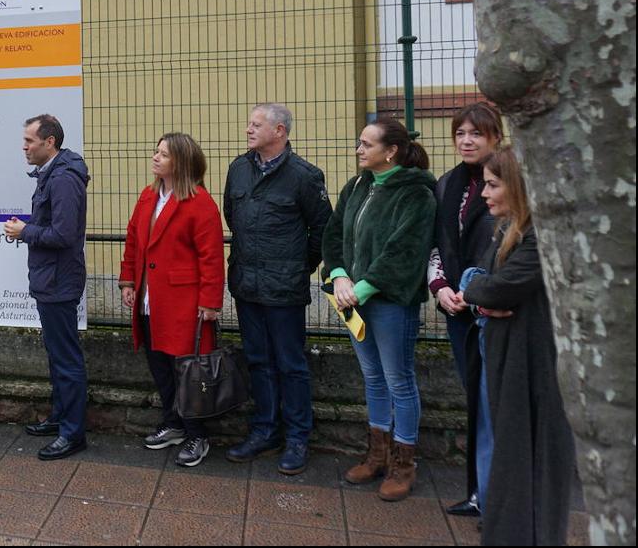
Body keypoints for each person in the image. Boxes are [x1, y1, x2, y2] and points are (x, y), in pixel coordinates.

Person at [460, 147, 575, 545]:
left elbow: (492, 287)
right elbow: (480, 284)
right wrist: (479, 293)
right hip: (506, 356)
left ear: (520, 188)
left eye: (493, 185)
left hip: (532, 365)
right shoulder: (510, 232)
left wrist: (478, 293)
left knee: (530, 461)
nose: (484, 194)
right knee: (509, 457)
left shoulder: (538, 239)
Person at [322, 117, 436, 502]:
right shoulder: (356, 186)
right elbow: (333, 234)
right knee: (372, 377)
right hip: (352, 298)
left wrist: (361, 289)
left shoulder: (416, 194)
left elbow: (404, 252)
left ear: (391, 152)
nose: (359, 150)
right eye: (359, 142)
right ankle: (377, 453)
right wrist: (338, 276)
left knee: (398, 380)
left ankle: (404, 463)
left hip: (389, 304)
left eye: (367, 145)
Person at [223, 103, 332, 475]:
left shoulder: (304, 176)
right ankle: (264, 430)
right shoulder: (238, 169)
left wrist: (297, 267)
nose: (248, 129)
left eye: (257, 124)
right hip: (246, 284)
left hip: (284, 288)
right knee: (257, 359)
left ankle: (298, 437)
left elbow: (322, 232)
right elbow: (232, 218)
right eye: (249, 123)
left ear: (280, 131)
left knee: (290, 363)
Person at [119, 132, 225, 467]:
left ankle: (198, 435)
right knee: (160, 365)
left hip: (184, 303)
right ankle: (174, 423)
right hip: (152, 299)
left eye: (162, 154)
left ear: (179, 162)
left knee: (188, 371)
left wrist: (210, 302)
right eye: (156, 151)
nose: (155, 157)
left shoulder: (200, 203)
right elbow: (133, 240)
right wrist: (127, 281)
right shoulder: (148, 196)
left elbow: (211, 258)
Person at [427, 102, 504, 517]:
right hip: (458, 310)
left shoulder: (512, 182)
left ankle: (498, 497)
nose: (466, 140)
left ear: (496, 136)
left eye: (476, 133)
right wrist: (440, 287)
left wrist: (475, 292)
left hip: (494, 310)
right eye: (460, 133)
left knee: (497, 406)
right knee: (475, 401)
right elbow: (439, 242)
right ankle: (479, 492)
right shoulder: (447, 184)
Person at [4, 114, 91, 461]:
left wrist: (24, 232)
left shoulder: (64, 179)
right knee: (57, 356)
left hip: (59, 281)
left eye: (29, 141)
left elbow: (64, 234)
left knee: (66, 359)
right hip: (50, 279)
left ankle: (73, 433)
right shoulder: (52, 174)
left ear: (49, 142)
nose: (24, 147)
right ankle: (60, 418)